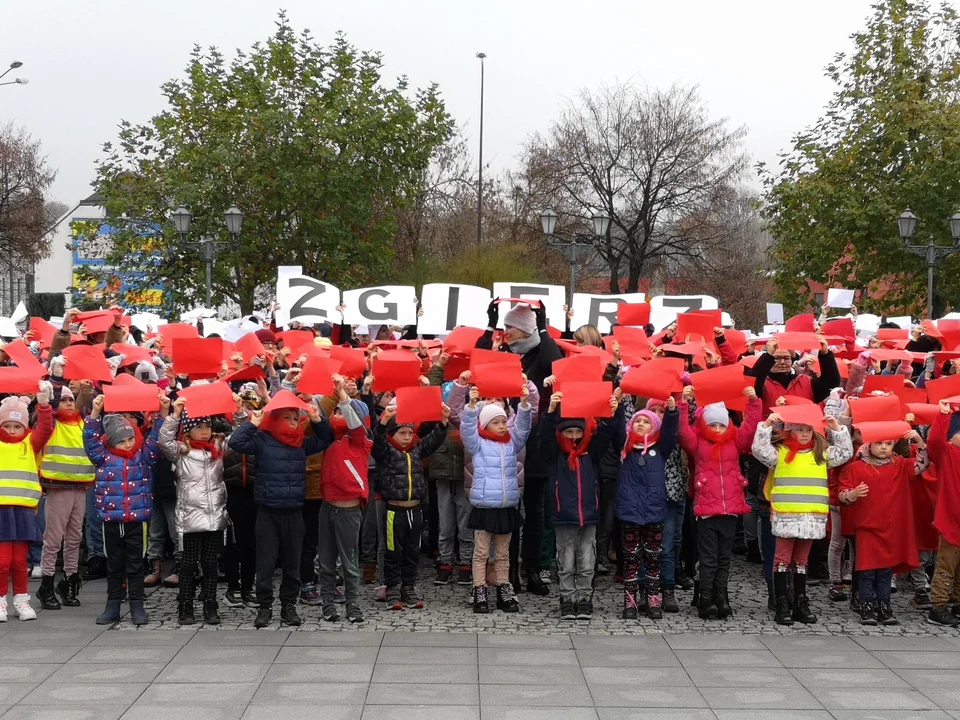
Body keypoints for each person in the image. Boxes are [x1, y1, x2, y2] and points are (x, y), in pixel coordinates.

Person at [477, 299, 562, 596]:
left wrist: (543, 324)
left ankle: (533, 569)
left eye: (511, 327)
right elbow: (480, 362)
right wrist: (490, 324)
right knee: (509, 512)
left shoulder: (541, 353)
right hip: (507, 443)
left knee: (536, 513)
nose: (506, 332)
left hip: (536, 443)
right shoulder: (502, 354)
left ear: (525, 330)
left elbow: (555, 359)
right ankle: (508, 571)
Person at [227, 393, 333, 628]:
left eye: (296, 418)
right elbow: (235, 442)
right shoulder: (263, 440)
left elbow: (327, 438)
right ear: (275, 419)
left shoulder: (301, 443)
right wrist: (252, 423)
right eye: (288, 418)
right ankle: (264, 607)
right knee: (265, 563)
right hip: (267, 511)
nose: (293, 423)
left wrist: (316, 419)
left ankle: (288, 606)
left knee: (292, 563)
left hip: (294, 511)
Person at [752, 411, 853, 626]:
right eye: (800, 429)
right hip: (786, 515)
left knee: (801, 561)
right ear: (790, 430)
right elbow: (759, 450)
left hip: (811, 516)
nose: (805, 434)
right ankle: (781, 603)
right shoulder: (780, 452)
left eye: (809, 430)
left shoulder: (821, 454)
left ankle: (800, 602)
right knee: (782, 560)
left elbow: (845, 452)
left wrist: (836, 429)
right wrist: (767, 424)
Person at [679, 387, 761, 619]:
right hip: (706, 511)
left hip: (730, 510)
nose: (717, 429)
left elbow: (751, 426)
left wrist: (753, 402)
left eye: (721, 425)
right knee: (708, 558)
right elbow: (683, 431)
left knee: (724, 557)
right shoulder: (698, 443)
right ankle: (705, 597)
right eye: (712, 425)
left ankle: (721, 595)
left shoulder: (735, 442)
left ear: (727, 425)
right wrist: (683, 403)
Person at [84, 394, 165, 626]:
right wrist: (94, 414)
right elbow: (90, 440)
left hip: (136, 520)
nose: (128, 444)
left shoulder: (143, 456)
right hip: (111, 519)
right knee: (114, 562)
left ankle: (137, 604)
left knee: (136, 562)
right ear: (111, 442)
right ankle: (113, 604)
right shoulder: (103, 457)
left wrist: (164, 414)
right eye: (122, 441)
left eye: (130, 438)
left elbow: (156, 439)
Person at [540, 390, 620, 620]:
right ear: (561, 433)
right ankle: (567, 598)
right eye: (569, 431)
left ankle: (584, 598)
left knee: (587, 560)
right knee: (565, 561)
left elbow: (605, 435)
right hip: (564, 515)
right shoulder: (554, 454)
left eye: (577, 431)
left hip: (589, 515)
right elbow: (544, 438)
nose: (574, 436)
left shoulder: (589, 453)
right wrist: (551, 412)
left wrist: (612, 414)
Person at [838, 430, 925, 625]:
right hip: (867, 527)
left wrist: (918, 440)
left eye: (888, 443)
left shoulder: (900, 465)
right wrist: (852, 494)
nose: (884, 447)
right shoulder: (855, 468)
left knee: (886, 571)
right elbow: (842, 493)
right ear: (869, 445)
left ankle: (884, 605)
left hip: (891, 528)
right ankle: (867, 605)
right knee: (867, 569)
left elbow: (921, 465)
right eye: (879, 443)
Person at [460, 383, 533, 613]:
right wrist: (471, 407)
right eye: (496, 422)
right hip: (485, 506)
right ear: (485, 424)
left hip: (506, 505)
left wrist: (524, 405)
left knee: (503, 553)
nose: (502, 426)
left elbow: (523, 428)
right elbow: (467, 431)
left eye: (503, 421)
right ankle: (479, 589)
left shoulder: (512, 443)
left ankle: (503, 588)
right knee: (481, 552)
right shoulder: (478, 444)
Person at [372, 399, 449, 611]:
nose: (406, 437)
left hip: (415, 509)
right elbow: (376, 441)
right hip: (393, 511)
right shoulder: (386, 450)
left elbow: (434, 439)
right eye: (401, 433)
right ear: (392, 434)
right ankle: (393, 589)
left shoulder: (417, 448)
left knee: (412, 552)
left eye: (409, 433)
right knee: (392, 552)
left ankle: (409, 587)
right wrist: (384, 420)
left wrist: (443, 421)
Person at [159, 400, 230, 626]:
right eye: (199, 427)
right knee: (188, 564)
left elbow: (240, 438)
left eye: (207, 426)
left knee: (210, 563)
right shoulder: (182, 451)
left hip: (213, 516)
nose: (205, 431)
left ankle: (210, 603)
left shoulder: (217, 448)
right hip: (190, 517)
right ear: (189, 430)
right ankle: (185, 604)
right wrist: (175, 415)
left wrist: (237, 413)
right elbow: (164, 441)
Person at [616, 397, 680, 620]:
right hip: (630, 512)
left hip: (654, 511)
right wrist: (619, 406)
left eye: (646, 421)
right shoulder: (625, 448)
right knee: (631, 559)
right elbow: (616, 429)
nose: (641, 424)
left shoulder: (660, 449)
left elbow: (672, 434)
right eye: (637, 421)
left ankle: (654, 600)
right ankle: (631, 602)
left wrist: (672, 411)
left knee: (654, 558)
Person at [317, 376, 373, 624]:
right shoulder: (329, 441)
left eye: (343, 412)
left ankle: (353, 605)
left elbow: (354, 423)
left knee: (349, 563)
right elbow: (318, 414)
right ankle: (327, 604)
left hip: (349, 511)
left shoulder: (360, 441)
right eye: (336, 412)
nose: (338, 415)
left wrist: (343, 396)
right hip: (327, 508)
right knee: (327, 562)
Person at [36, 385, 93, 611]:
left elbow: (82, 406)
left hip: (79, 488)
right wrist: (45, 401)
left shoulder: (81, 423)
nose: (70, 403)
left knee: (74, 539)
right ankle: (46, 586)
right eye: (64, 400)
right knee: (53, 540)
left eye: (72, 400)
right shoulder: (52, 424)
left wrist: (86, 394)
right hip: (57, 488)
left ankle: (69, 581)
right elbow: (44, 421)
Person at [0, 387, 54, 621]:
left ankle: (21, 600)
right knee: (2, 562)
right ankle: (1, 601)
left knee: (20, 562)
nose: (12, 430)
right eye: (7, 426)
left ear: (24, 427)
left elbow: (45, 429)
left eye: (17, 426)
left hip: (23, 510)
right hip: (1, 511)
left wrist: (43, 405)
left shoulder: (29, 444)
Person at [923, 400, 960, 627]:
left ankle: (957, 603)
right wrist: (943, 416)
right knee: (947, 565)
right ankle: (938, 606)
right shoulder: (949, 453)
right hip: (952, 519)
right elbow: (935, 441)